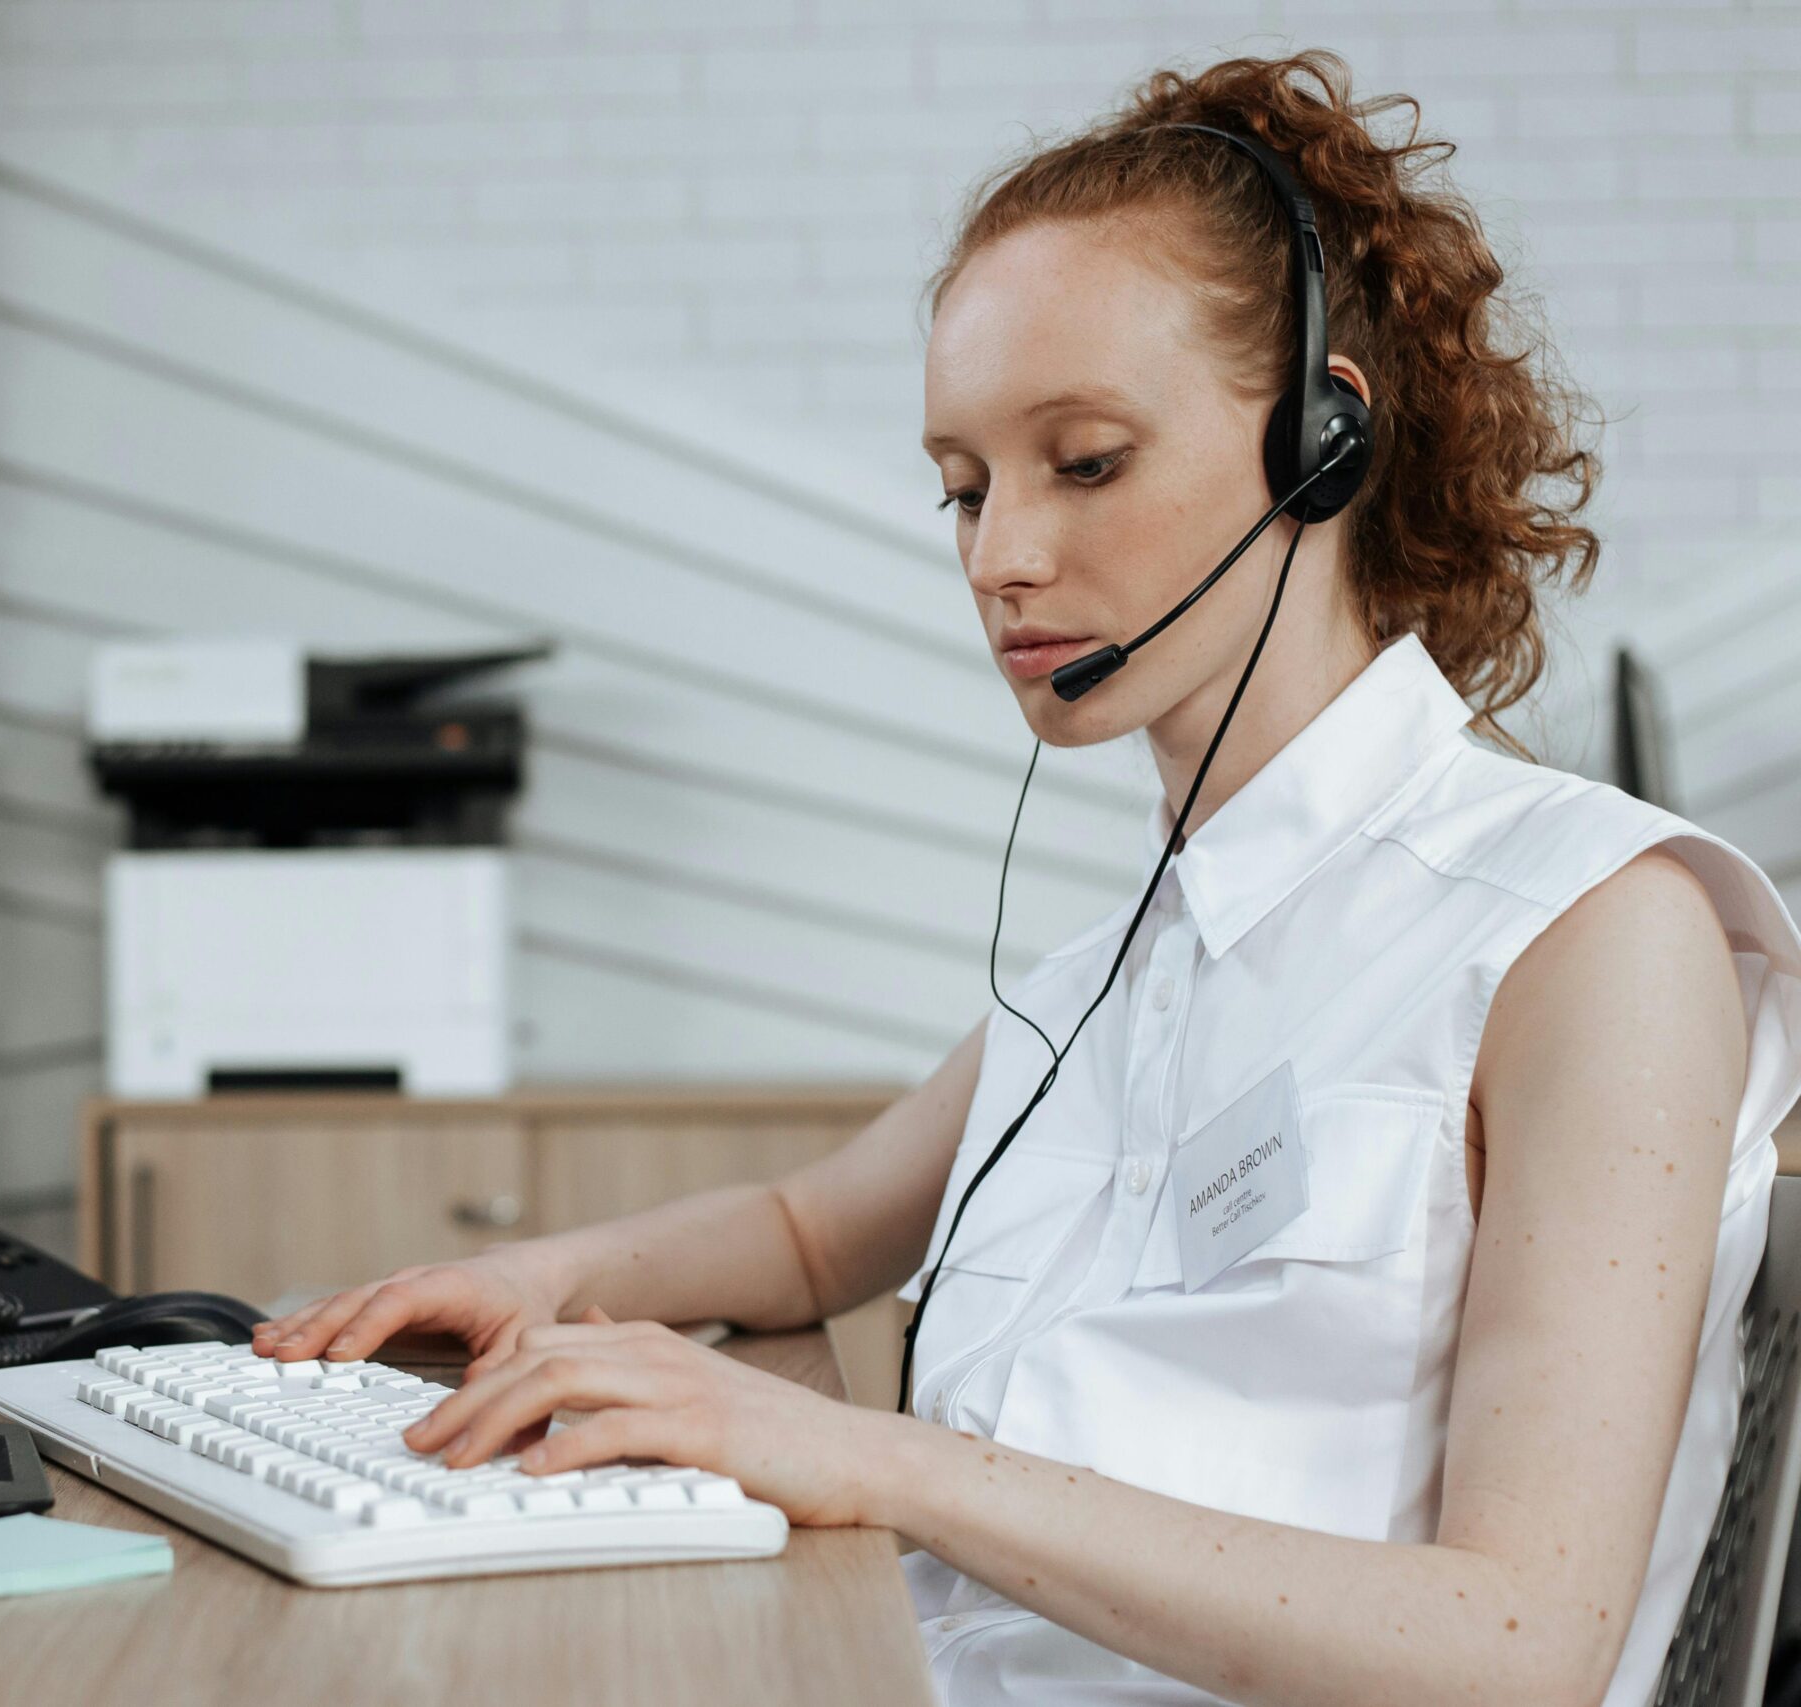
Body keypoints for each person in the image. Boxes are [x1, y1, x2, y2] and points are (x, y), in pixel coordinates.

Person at [251, 49, 1801, 1707]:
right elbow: (802, 1233)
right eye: (966, 489)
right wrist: (535, 1281)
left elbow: (1521, 1644)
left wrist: (867, 1460)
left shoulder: (1591, 933)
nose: (1000, 559)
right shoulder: (1129, 966)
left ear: (1320, 443)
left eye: (1085, 461)